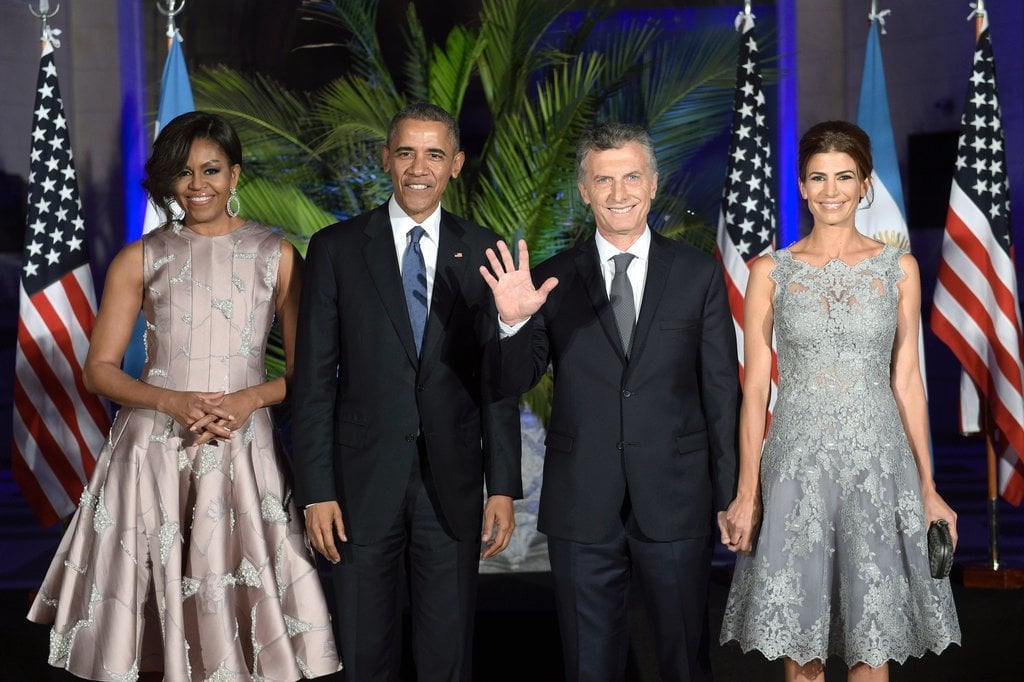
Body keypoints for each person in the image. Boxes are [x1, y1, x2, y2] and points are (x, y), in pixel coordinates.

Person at [27, 111, 341, 680]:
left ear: (235, 175)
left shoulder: (278, 255)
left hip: (242, 449)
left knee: (244, 625)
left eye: (211, 170)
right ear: (169, 182)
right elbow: (98, 370)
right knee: (144, 610)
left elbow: (308, 373)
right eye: (184, 173)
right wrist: (170, 401)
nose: (198, 185)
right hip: (153, 447)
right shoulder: (141, 257)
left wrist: (248, 401)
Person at [480, 122, 739, 682]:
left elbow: (721, 391)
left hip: (676, 499)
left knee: (683, 662)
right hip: (582, 504)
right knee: (589, 667)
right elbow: (510, 381)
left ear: (652, 184)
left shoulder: (697, 274)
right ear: (584, 189)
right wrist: (511, 321)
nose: (618, 193)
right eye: (604, 180)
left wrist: (732, 494)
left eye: (630, 178)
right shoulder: (548, 279)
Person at [718, 120, 961, 681]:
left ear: (864, 184)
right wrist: (746, 492)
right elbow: (755, 390)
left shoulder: (898, 269)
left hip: (879, 467)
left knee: (871, 644)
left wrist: (928, 488)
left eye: (844, 177)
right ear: (801, 186)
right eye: (818, 177)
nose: (831, 190)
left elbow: (907, 383)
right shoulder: (768, 272)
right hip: (795, 470)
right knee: (801, 651)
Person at [291, 102, 522, 682]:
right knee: (365, 655)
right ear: (386, 159)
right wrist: (316, 488)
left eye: (435, 154)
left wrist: (503, 486)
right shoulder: (336, 249)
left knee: (447, 656)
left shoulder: (488, 252)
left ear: (457, 165)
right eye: (406, 152)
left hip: (455, 485)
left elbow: (497, 381)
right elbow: (314, 381)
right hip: (359, 486)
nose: (419, 168)